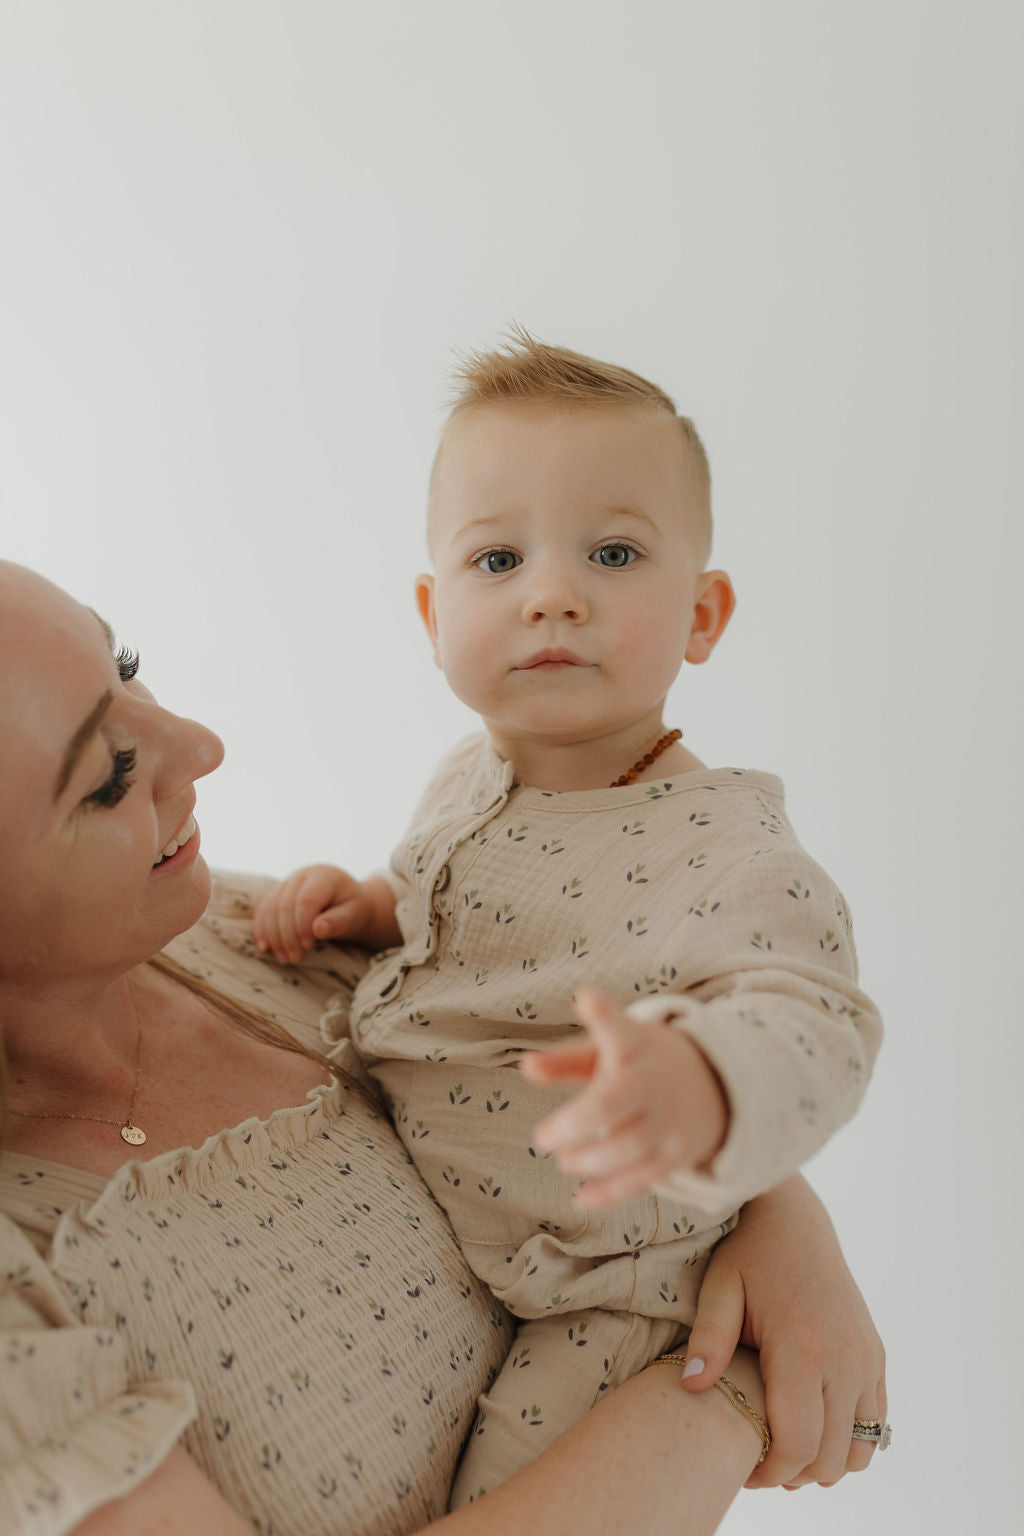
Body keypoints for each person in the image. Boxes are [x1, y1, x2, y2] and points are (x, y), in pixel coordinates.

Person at [0, 561, 888, 1536]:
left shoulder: (248, 934)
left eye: (126, 666)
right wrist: (729, 1395)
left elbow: (535, 1046)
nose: (201, 747)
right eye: (109, 776)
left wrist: (777, 1216)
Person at [254, 331, 885, 1503]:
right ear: (433, 613)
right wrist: (377, 902)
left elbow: (818, 1018)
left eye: (610, 552)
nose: (551, 594)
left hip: (612, 1288)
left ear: (702, 614)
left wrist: (705, 1078)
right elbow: (478, 906)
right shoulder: (470, 771)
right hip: (463, 1243)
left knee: (511, 1506)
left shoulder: (721, 842)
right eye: (497, 561)